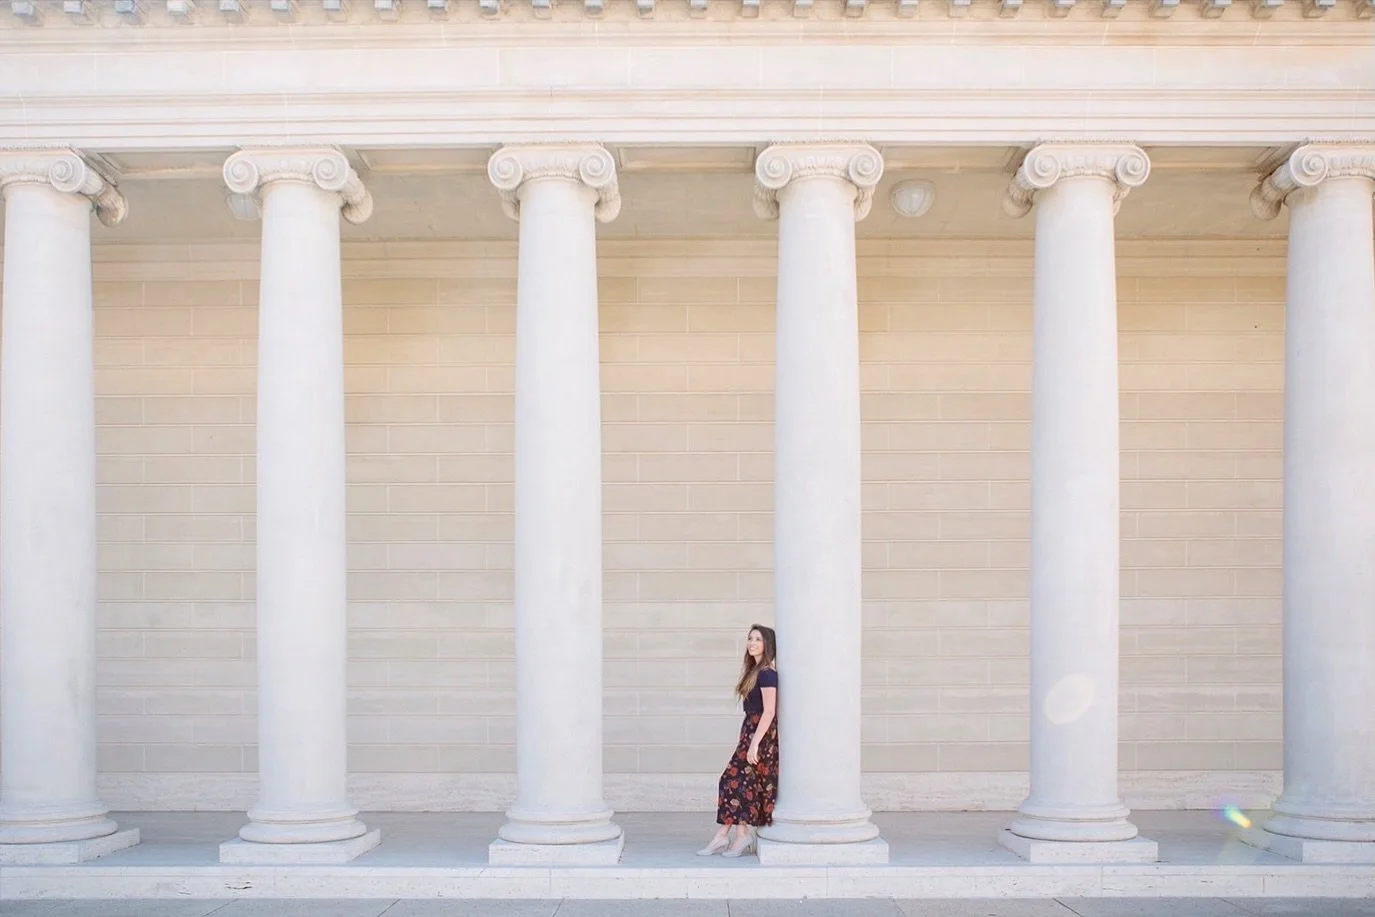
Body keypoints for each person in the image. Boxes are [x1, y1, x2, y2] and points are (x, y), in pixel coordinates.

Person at [697, 624, 778, 859]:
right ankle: (740, 834)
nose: (752, 643)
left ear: (767, 645)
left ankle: (725, 836)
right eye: (750, 638)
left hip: (760, 736)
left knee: (731, 780)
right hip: (751, 732)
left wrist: (754, 744)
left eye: (758, 639)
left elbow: (770, 711)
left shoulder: (767, 674)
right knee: (743, 785)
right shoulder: (754, 671)